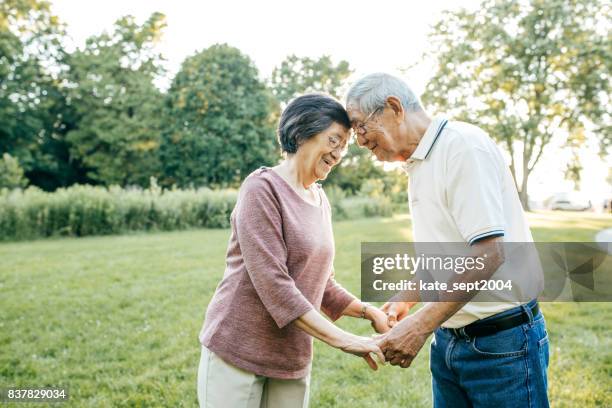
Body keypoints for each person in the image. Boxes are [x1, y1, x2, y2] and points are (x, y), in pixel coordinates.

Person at [345, 73, 550, 407]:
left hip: (502, 346)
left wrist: (417, 328)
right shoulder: (417, 163)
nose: (359, 140)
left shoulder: (461, 147)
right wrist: (405, 299)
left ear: (394, 108)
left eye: (360, 126)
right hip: (449, 342)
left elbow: (489, 253)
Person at [197, 93, 388, 408]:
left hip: (291, 356)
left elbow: (321, 281)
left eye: (344, 146)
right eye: (334, 140)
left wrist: (369, 311)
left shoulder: (320, 199)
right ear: (301, 133)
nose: (338, 154)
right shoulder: (262, 188)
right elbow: (275, 285)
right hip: (238, 351)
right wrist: (347, 340)